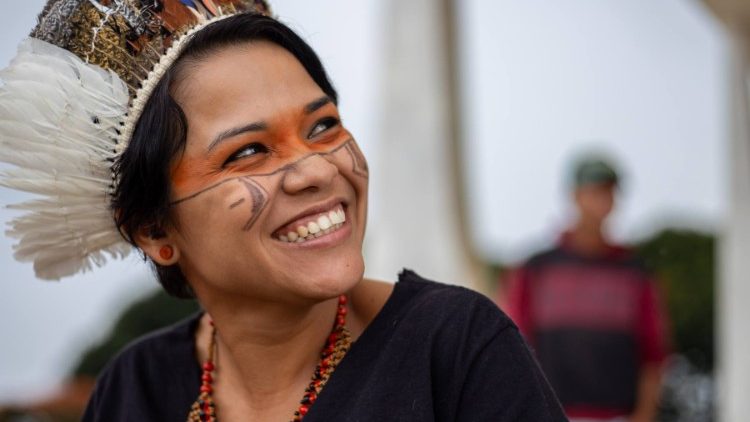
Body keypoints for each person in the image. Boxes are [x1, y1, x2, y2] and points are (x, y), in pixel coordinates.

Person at [0, 1, 566, 421]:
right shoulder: (135, 390)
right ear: (153, 229)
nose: (318, 170)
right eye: (248, 151)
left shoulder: (455, 349)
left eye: (323, 126)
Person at [502, 156, 670, 422]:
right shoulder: (536, 269)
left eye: (608, 192)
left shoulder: (635, 273)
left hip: (618, 416)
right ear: (575, 196)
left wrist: (643, 416)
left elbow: (653, 354)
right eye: (594, 192)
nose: (601, 201)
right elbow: (512, 349)